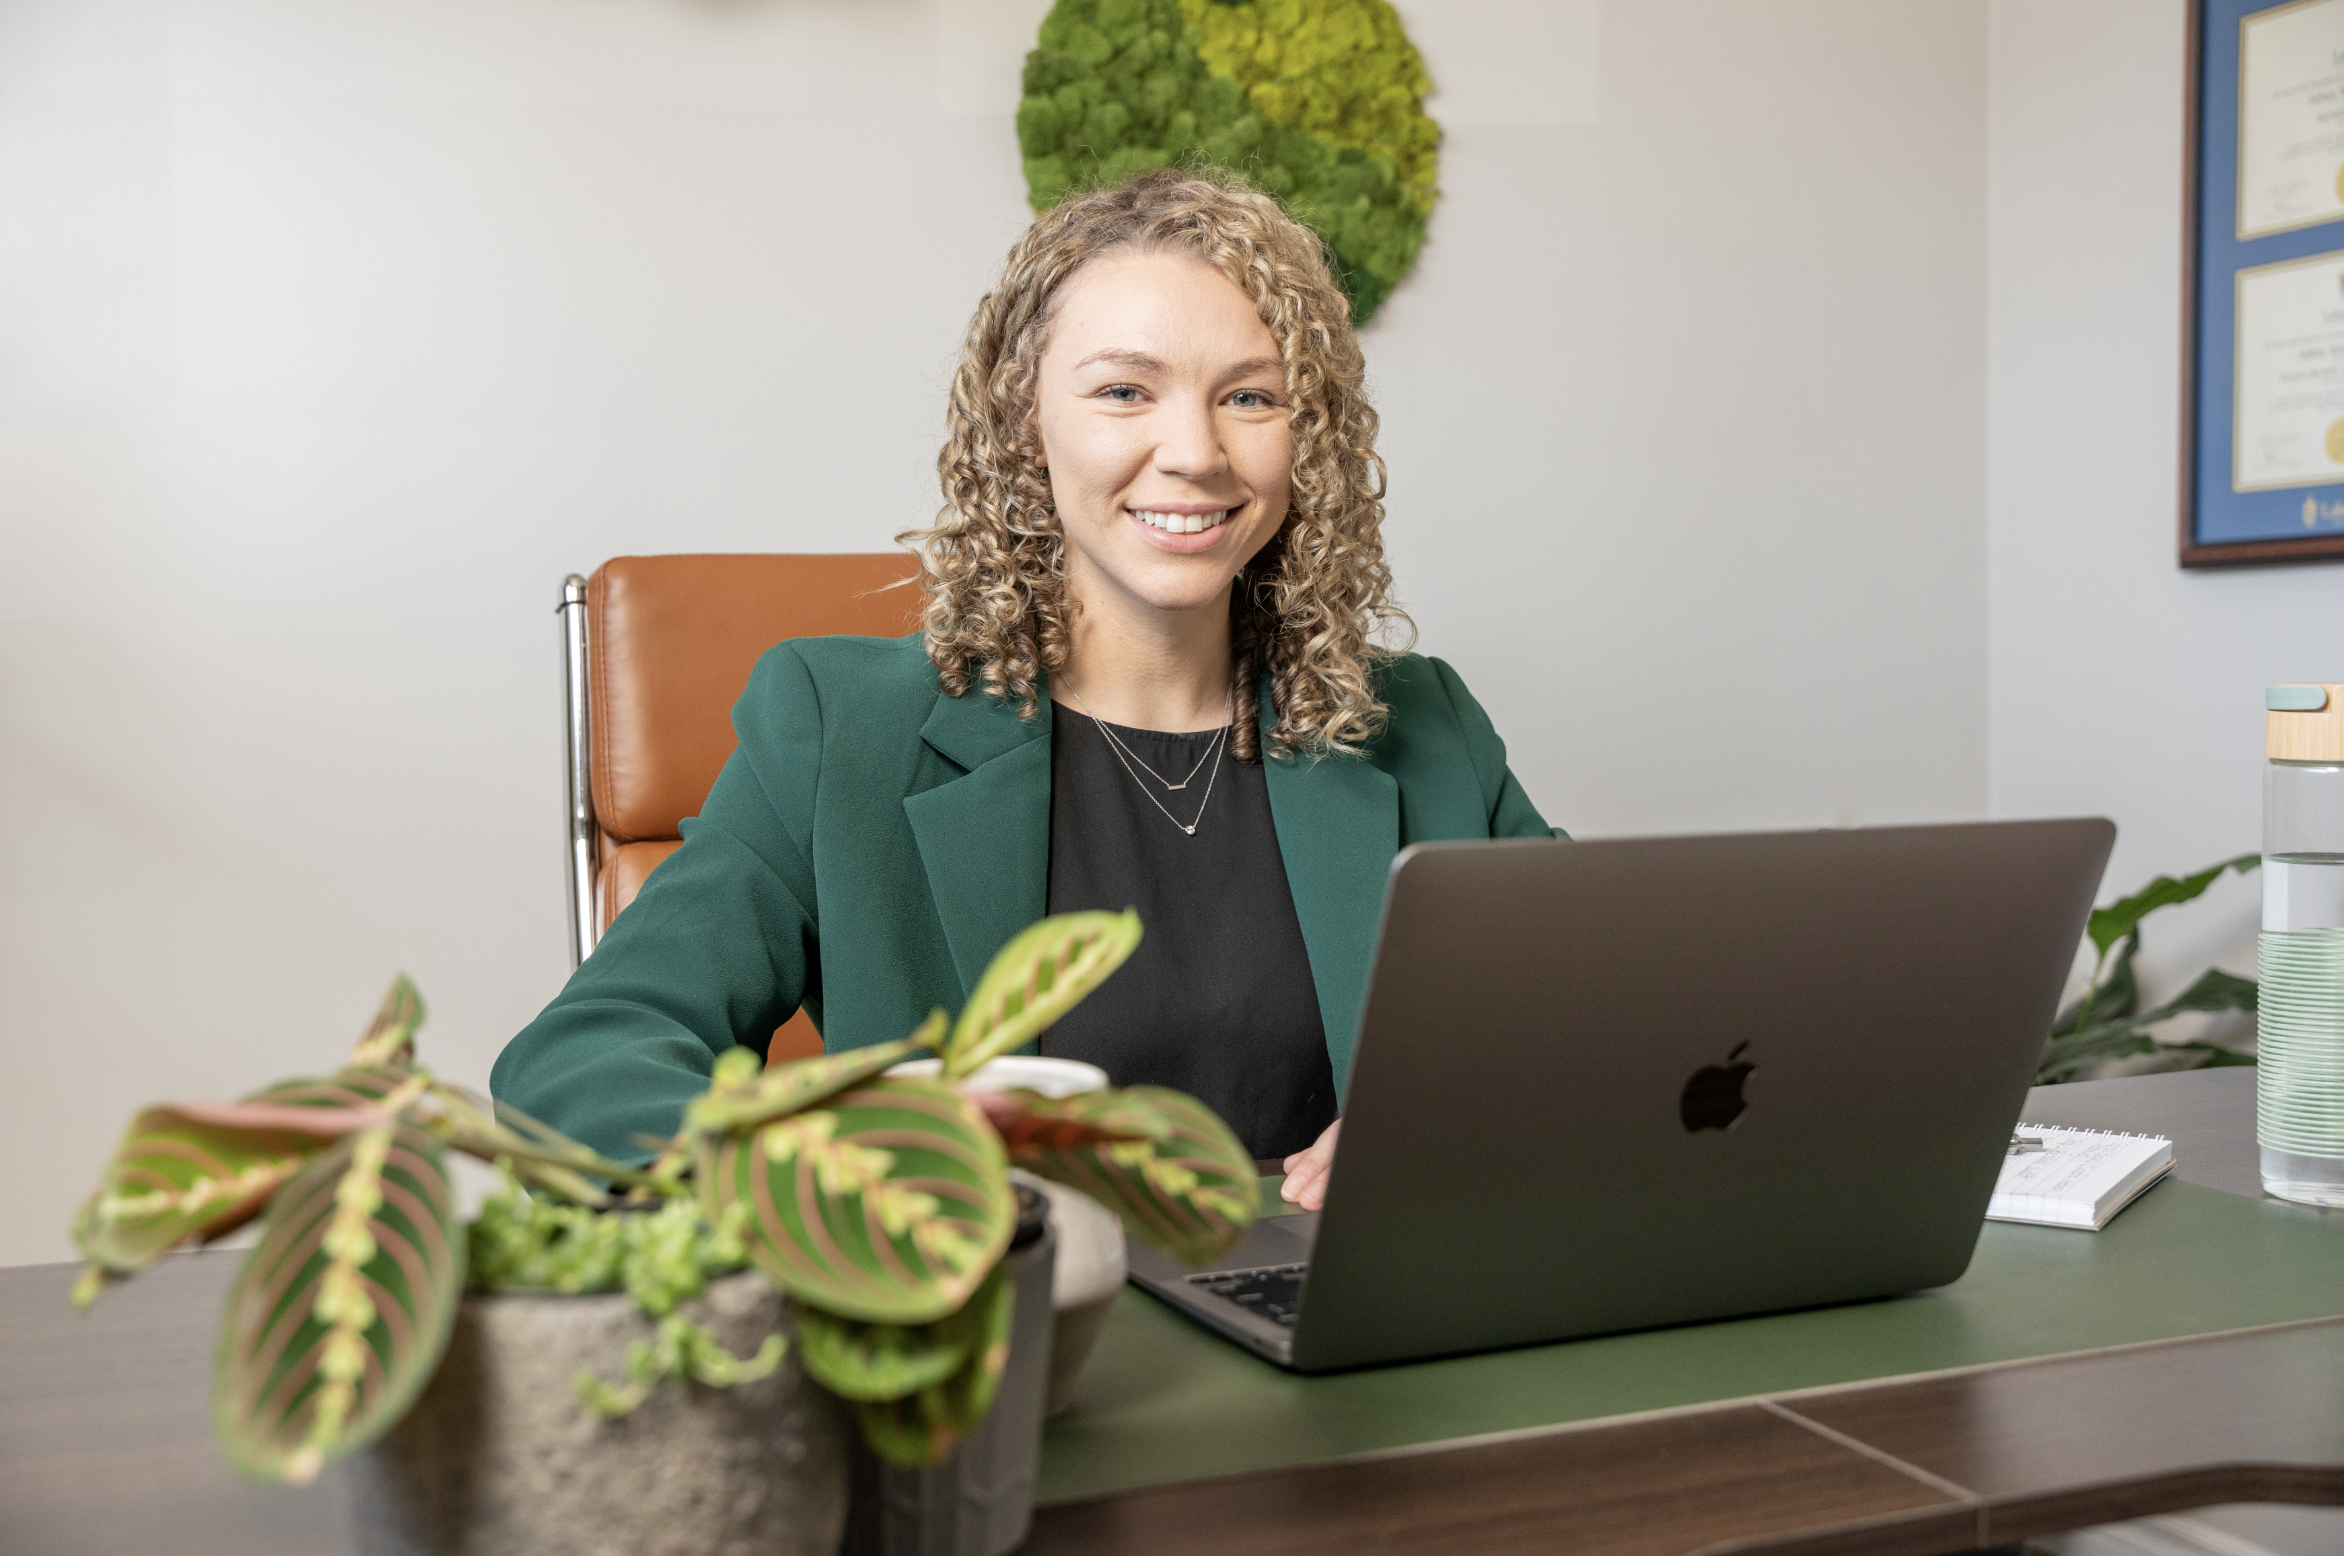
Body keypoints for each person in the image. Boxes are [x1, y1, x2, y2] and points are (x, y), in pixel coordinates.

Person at [491, 167, 1563, 1213]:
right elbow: (582, 1062)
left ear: (1308, 437)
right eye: (1122, 391)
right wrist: (831, 1186)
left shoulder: (1423, 726)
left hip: (1340, 1339)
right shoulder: (837, 727)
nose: (1193, 451)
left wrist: (1462, 1108)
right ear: (1024, 426)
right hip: (995, 1333)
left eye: (1249, 395)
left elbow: (1621, 1016)